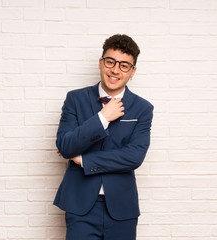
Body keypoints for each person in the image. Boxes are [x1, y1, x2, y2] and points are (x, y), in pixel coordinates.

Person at [54, 34, 154, 240]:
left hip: (122, 208)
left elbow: (134, 157)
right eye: (110, 62)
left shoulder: (143, 109)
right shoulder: (75, 99)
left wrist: (84, 160)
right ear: (101, 63)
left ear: (133, 71)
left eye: (124, 65)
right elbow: (65, 145)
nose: (115, 70)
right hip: (79, 204)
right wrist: (102, 118)